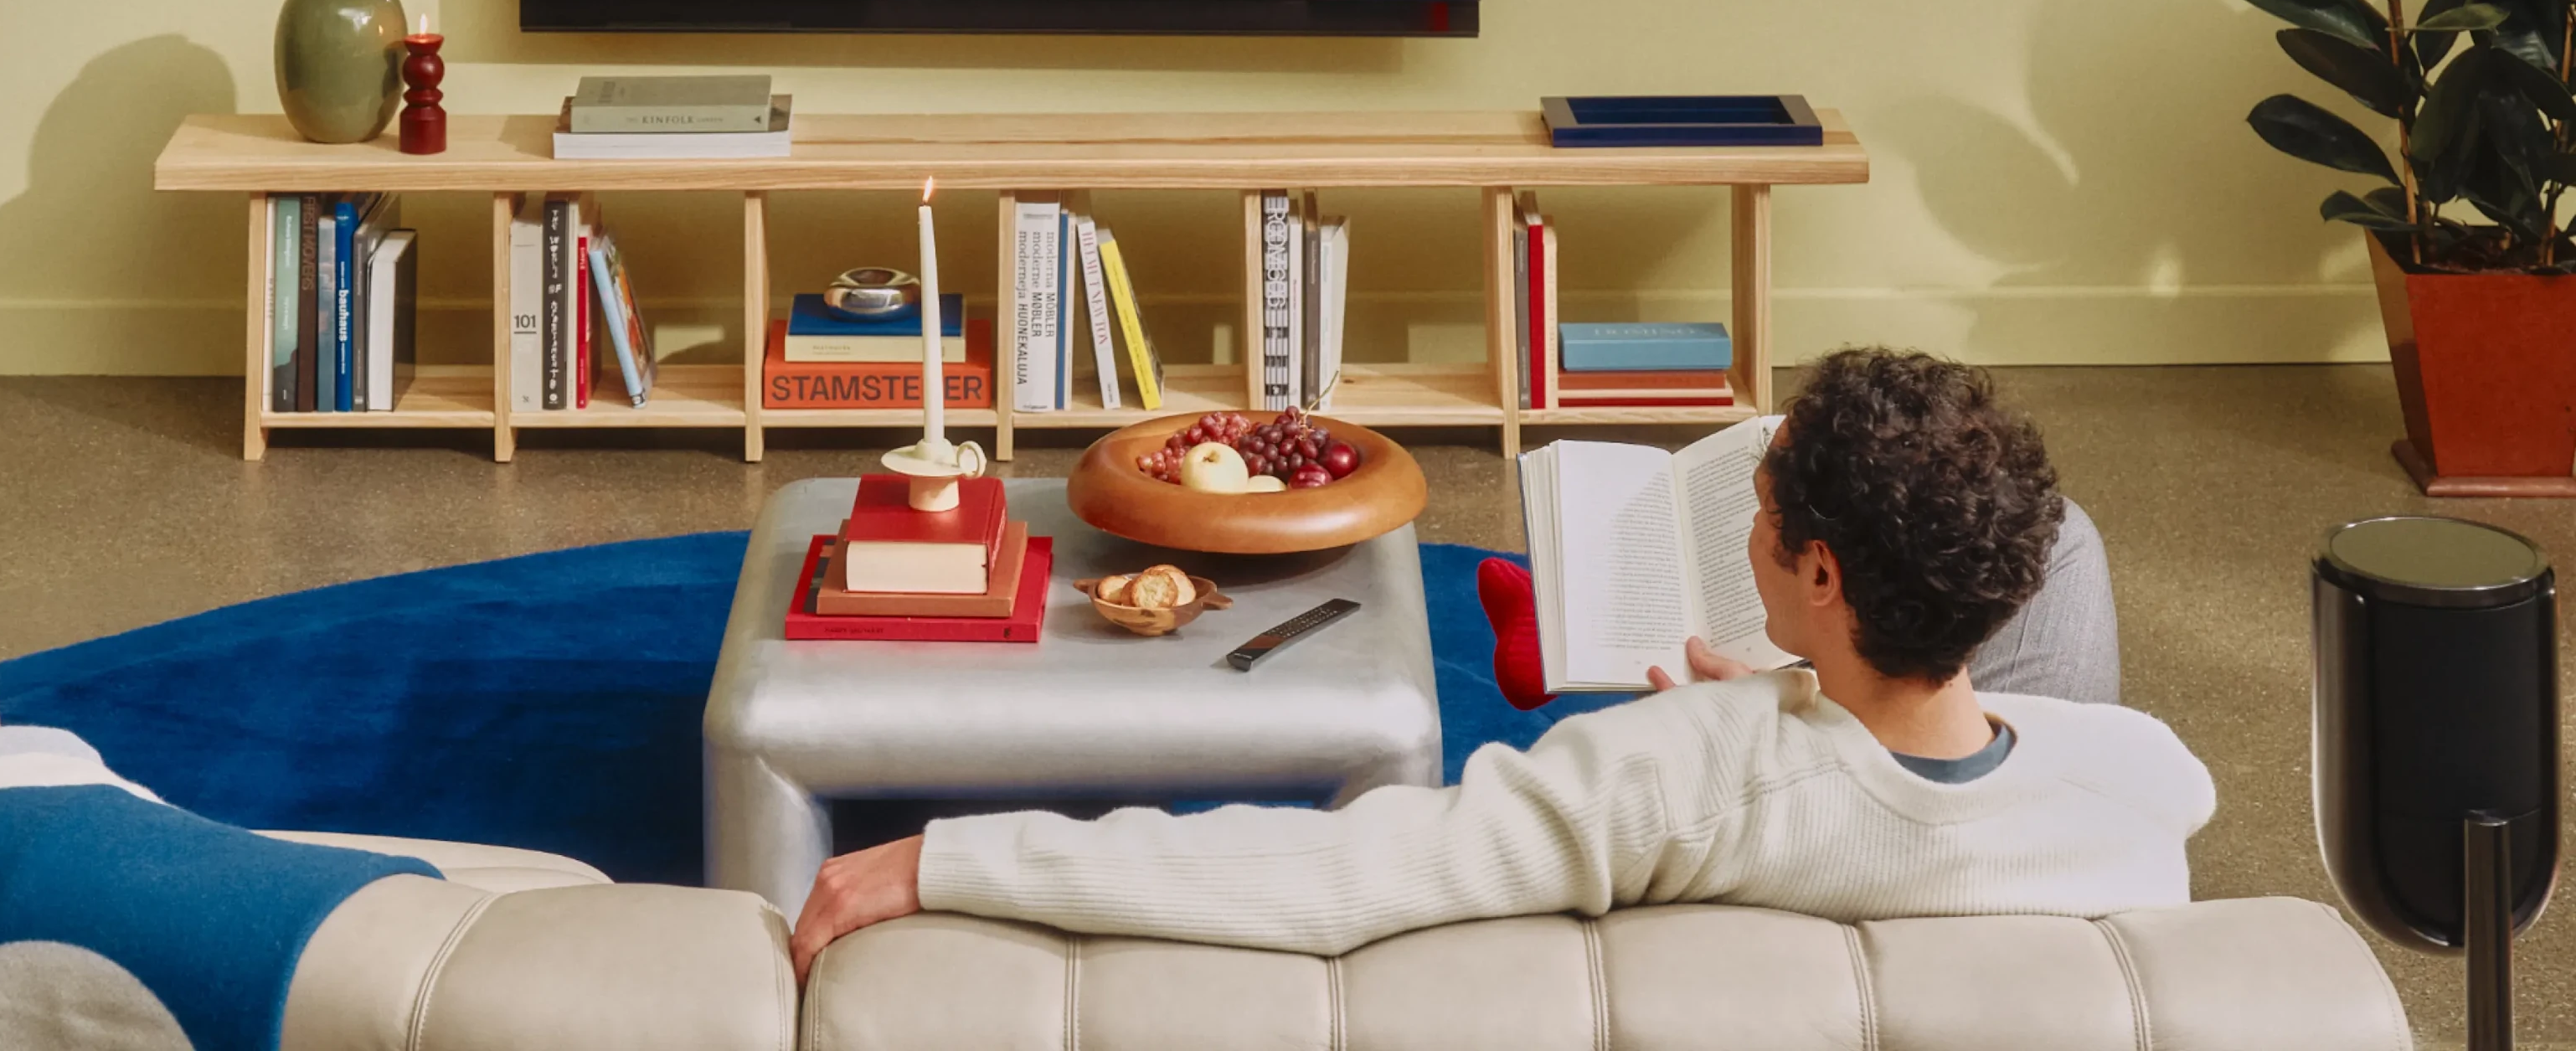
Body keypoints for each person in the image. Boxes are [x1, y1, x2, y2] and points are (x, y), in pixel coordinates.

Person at [789, 348, 2210, 982]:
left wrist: (944, 861)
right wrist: (1792, 704)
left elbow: (1325, 878)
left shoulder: (1669, 776)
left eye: (1764, 505)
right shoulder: (2141, 786)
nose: (1754, 519)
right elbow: (1951, 780)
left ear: (1823, 576)